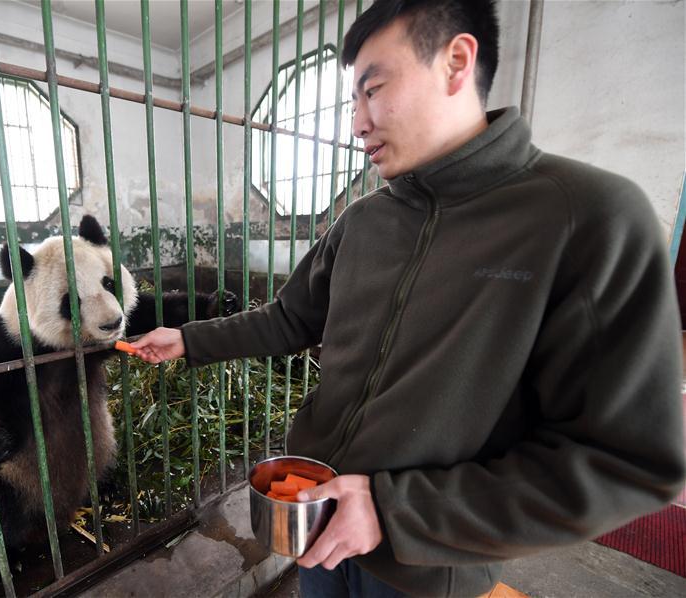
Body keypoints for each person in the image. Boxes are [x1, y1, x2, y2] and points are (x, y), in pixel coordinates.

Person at [132, 1, 686, 596]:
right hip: (317, 519)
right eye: (351, 102)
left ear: (455, 62)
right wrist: (189, 339)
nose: (356, 123)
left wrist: (396, 511)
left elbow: (624, 463)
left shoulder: (586, 218)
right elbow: (292, 317)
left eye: (373, 90)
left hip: (425, 566)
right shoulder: (364, 221)